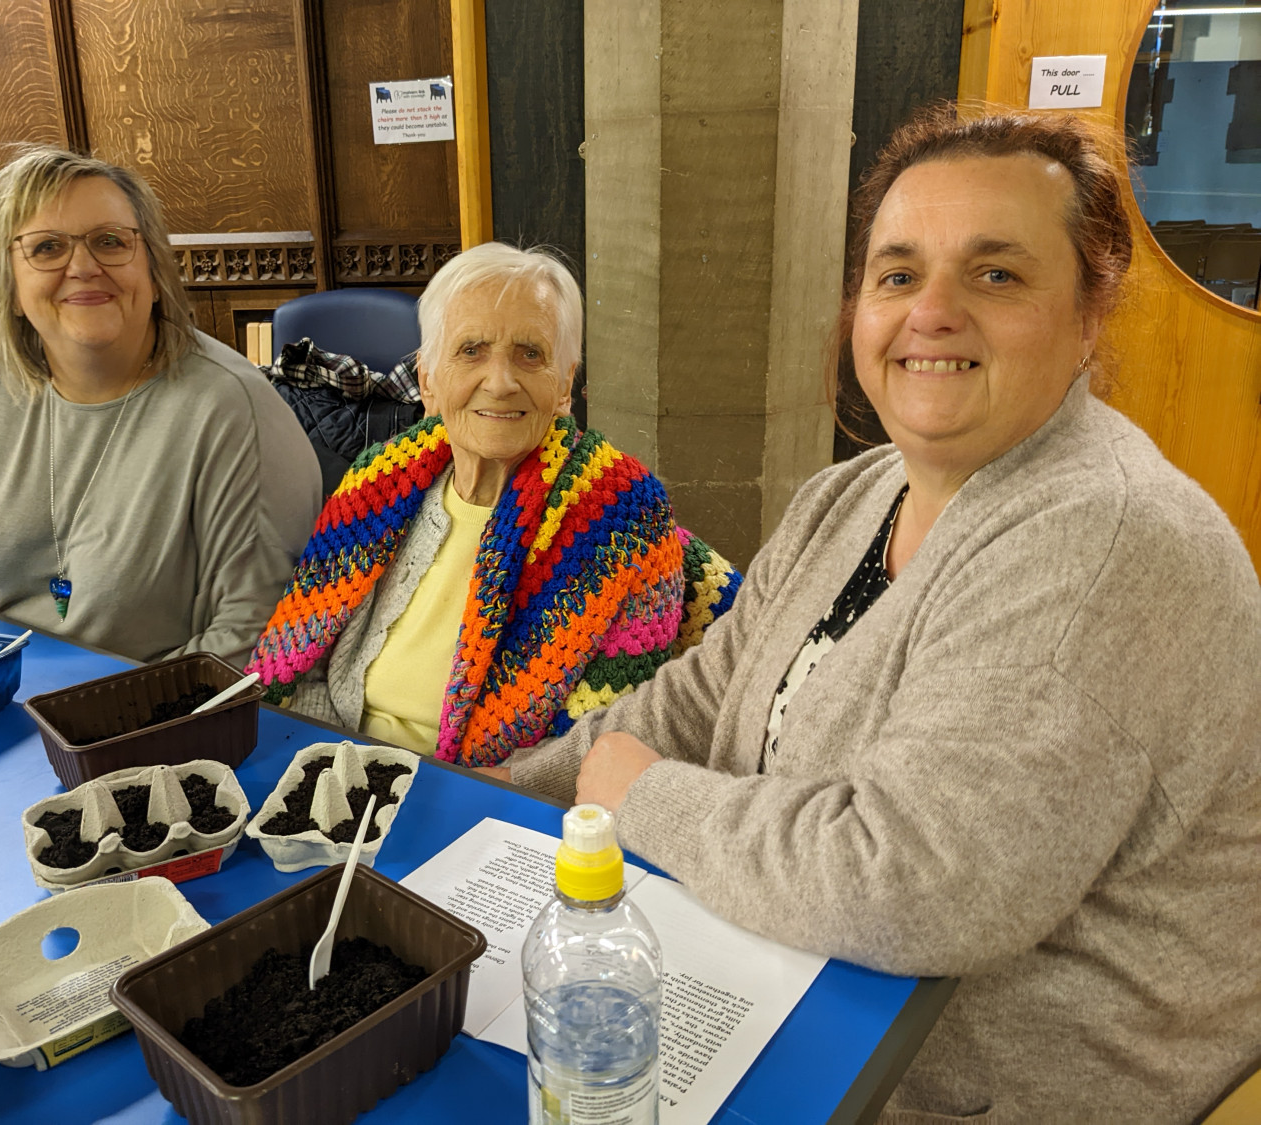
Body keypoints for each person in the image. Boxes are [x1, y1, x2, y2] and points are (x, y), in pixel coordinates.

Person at [502, 108, 1261, 1122]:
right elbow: (690, 703)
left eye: (996, 275)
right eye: (899, 275)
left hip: (994, 1086)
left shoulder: (1103, 541)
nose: (931, 312)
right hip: (803, 998)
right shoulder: (852, 497)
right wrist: (490, 802)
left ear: (1090, 316)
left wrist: (638, 802)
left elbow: (911, 883)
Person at [246, 242, 740, 766]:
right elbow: (306, 660)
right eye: (471, 351)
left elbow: (605, 738)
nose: (501, 382)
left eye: (531, 354)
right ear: (428, 381)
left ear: (566, 383)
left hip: (498, 796)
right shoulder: (378, 478)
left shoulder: (621, 522)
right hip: (335, 763)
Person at [0, 147, 320, 666]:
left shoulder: (228, 406)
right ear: (9, 283)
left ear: (153, 268)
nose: (82, 267)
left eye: (109, 242)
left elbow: (246, 640)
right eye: (47, 247)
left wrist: (80, 730)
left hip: (152, 721)